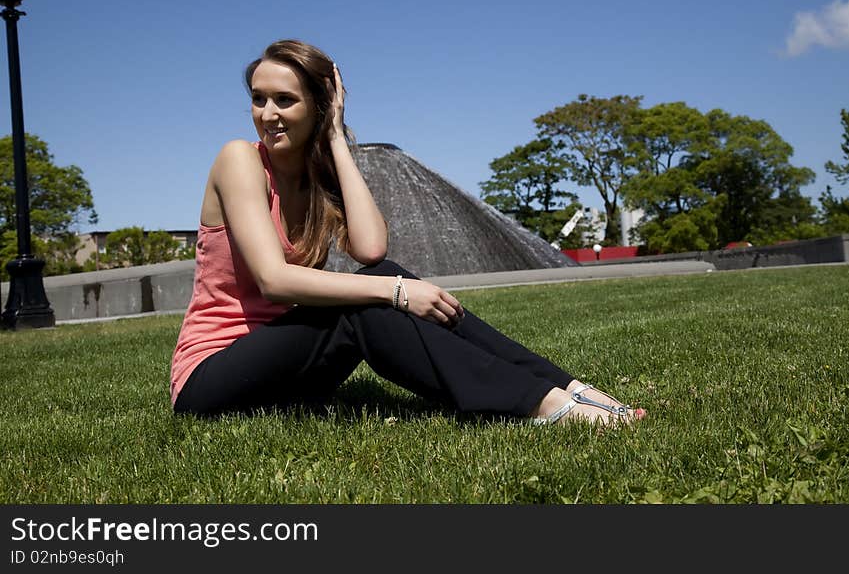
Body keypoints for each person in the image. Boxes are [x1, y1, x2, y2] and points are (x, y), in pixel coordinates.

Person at [169, 39, 646, 427]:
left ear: (318, 105)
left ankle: (567, 388)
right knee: (372, 302)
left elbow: (373, 250)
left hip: (284, 367)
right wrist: (396, 293)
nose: (267, 113)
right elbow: (274, 280)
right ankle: (541, 406)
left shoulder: (318, 177)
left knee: (390, 280)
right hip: (212, 376)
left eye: (285, 100)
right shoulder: (239, 160)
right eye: (258, 98)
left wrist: (335, 138)